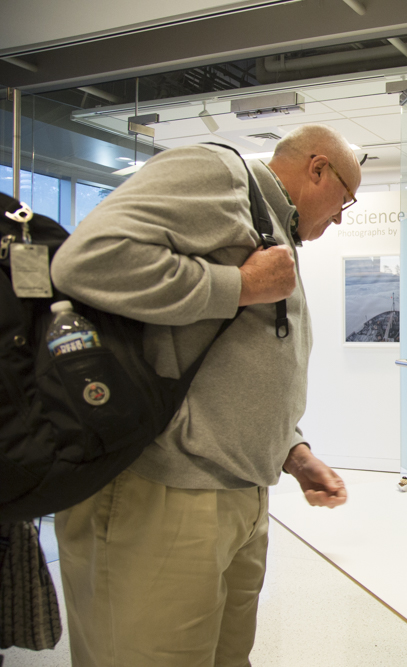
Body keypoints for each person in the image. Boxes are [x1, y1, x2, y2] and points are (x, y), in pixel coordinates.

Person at [50, 124, 361, 667]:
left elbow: (228, 361)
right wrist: (237, 287)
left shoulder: (271, 224)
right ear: (317, 169)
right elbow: (86, 261)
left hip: (236, 495)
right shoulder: (218, 174)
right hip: (165, 489)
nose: (339, 217)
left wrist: (291, 449)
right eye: (345, 200)